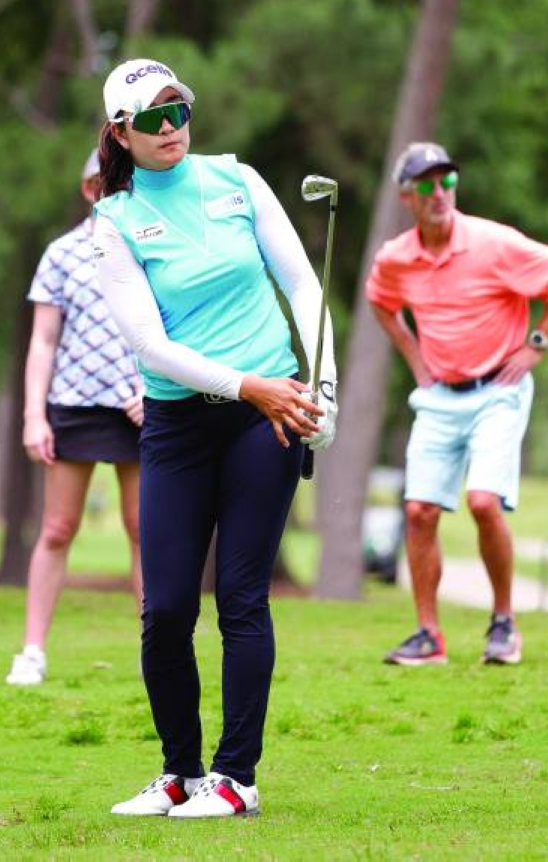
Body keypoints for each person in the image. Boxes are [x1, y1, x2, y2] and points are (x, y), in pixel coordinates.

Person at [93, 57, 338, 820]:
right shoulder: (115, 222)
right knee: (165, 606)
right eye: (154, 119)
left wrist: (320, 386)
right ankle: (179, 772)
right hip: (179, 423)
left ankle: (236, 778)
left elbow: (302, 284)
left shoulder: (237, 179)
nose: (172, 129)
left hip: (264, 418)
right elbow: (151, 346)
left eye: (180, 111)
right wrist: (249, 383)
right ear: (121, 134)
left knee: (239, 596)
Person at [366, 141, 548, 668]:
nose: (439, 193)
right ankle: (428, 635)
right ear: (406, 196)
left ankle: (504, 623)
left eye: (447, 182)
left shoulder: (493, 243)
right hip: (440, 395)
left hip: (498, 392)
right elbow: (380, 300)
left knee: (483, 502)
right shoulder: (396, 257)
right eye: (426, 184)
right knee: (418, 511)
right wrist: (415, 359)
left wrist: (536, 347)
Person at [6, 150, 144, 688]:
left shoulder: (153, 248)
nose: (111, 192)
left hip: (141, 405)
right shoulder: (62, 253)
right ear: (88, 189)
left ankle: (154, 649)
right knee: (58, 528)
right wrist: (32, 416)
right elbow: (43, 341)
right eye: (103, 183)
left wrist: (159, 392)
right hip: (75, 402)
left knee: (145, 531)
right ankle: (32, 650)